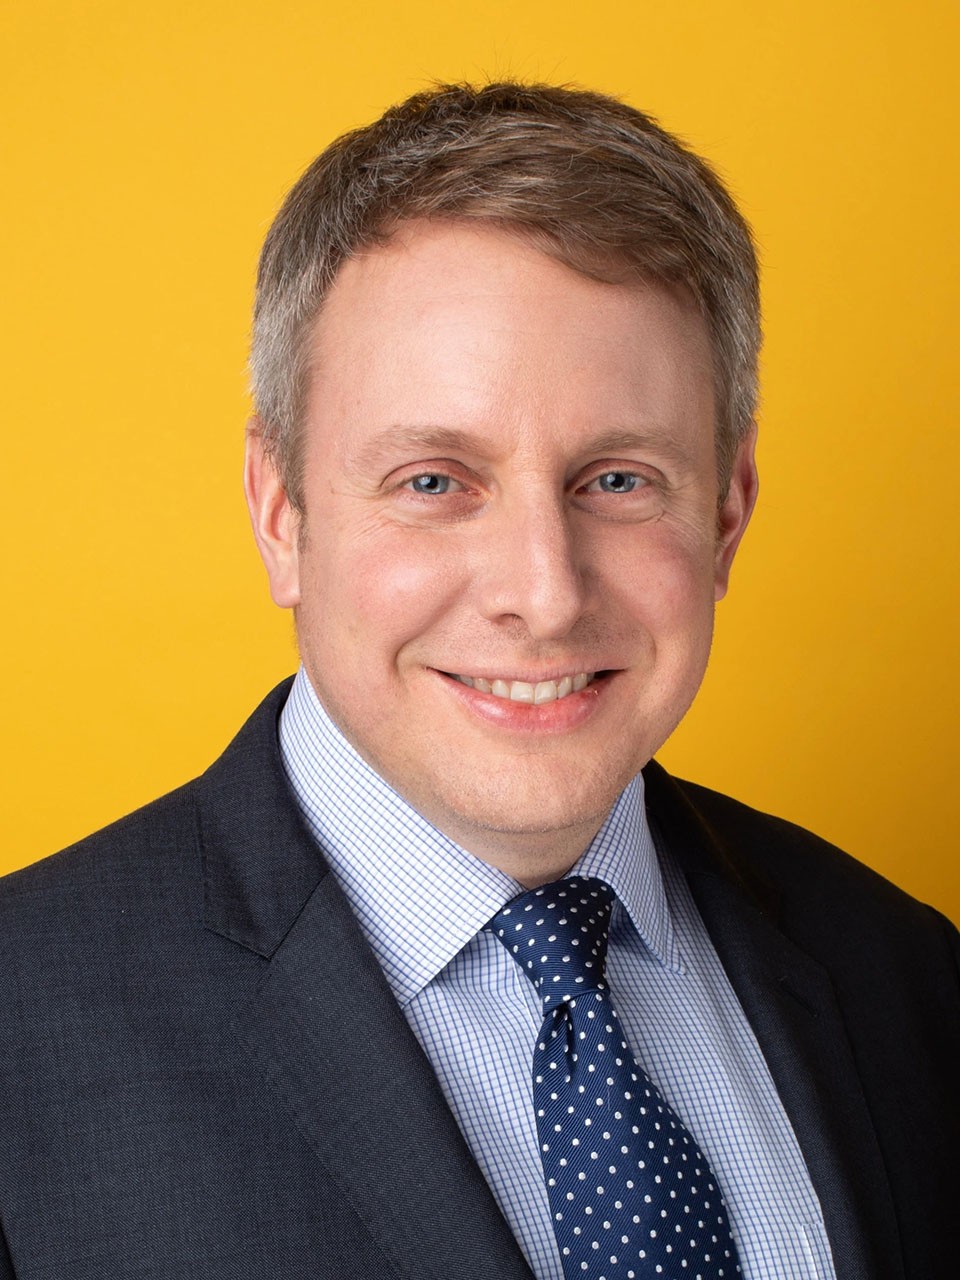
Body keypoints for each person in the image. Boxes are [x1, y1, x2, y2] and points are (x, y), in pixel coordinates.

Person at [0, 82, 956, 1280]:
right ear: (280, 509)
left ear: (727, 509)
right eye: (435, 481)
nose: (543, 593)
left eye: (617, 479)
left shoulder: (908, 978)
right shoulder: (19, 1029)